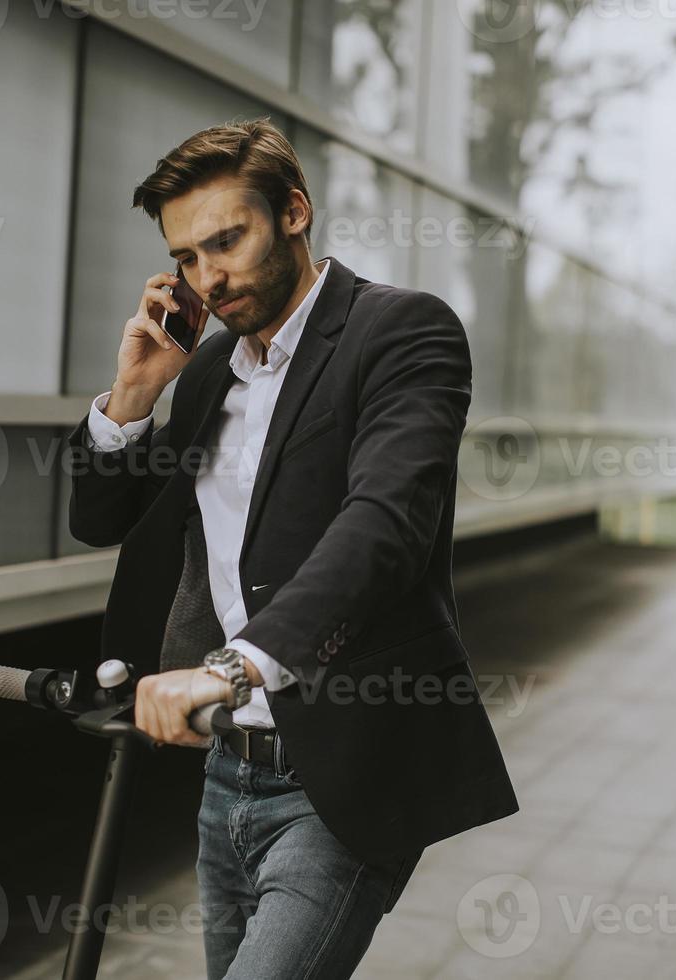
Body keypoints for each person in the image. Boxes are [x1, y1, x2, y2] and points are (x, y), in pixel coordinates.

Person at [64, 118, 518, 979]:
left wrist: (234, 667)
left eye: (227, 241)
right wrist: (131, 394)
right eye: (188, 257)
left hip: (341, 776)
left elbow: (384, 525)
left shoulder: (401, 333)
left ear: (295, 212)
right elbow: (100, 517)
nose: (209, 276)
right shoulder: (205, 371)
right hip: (227, 773)